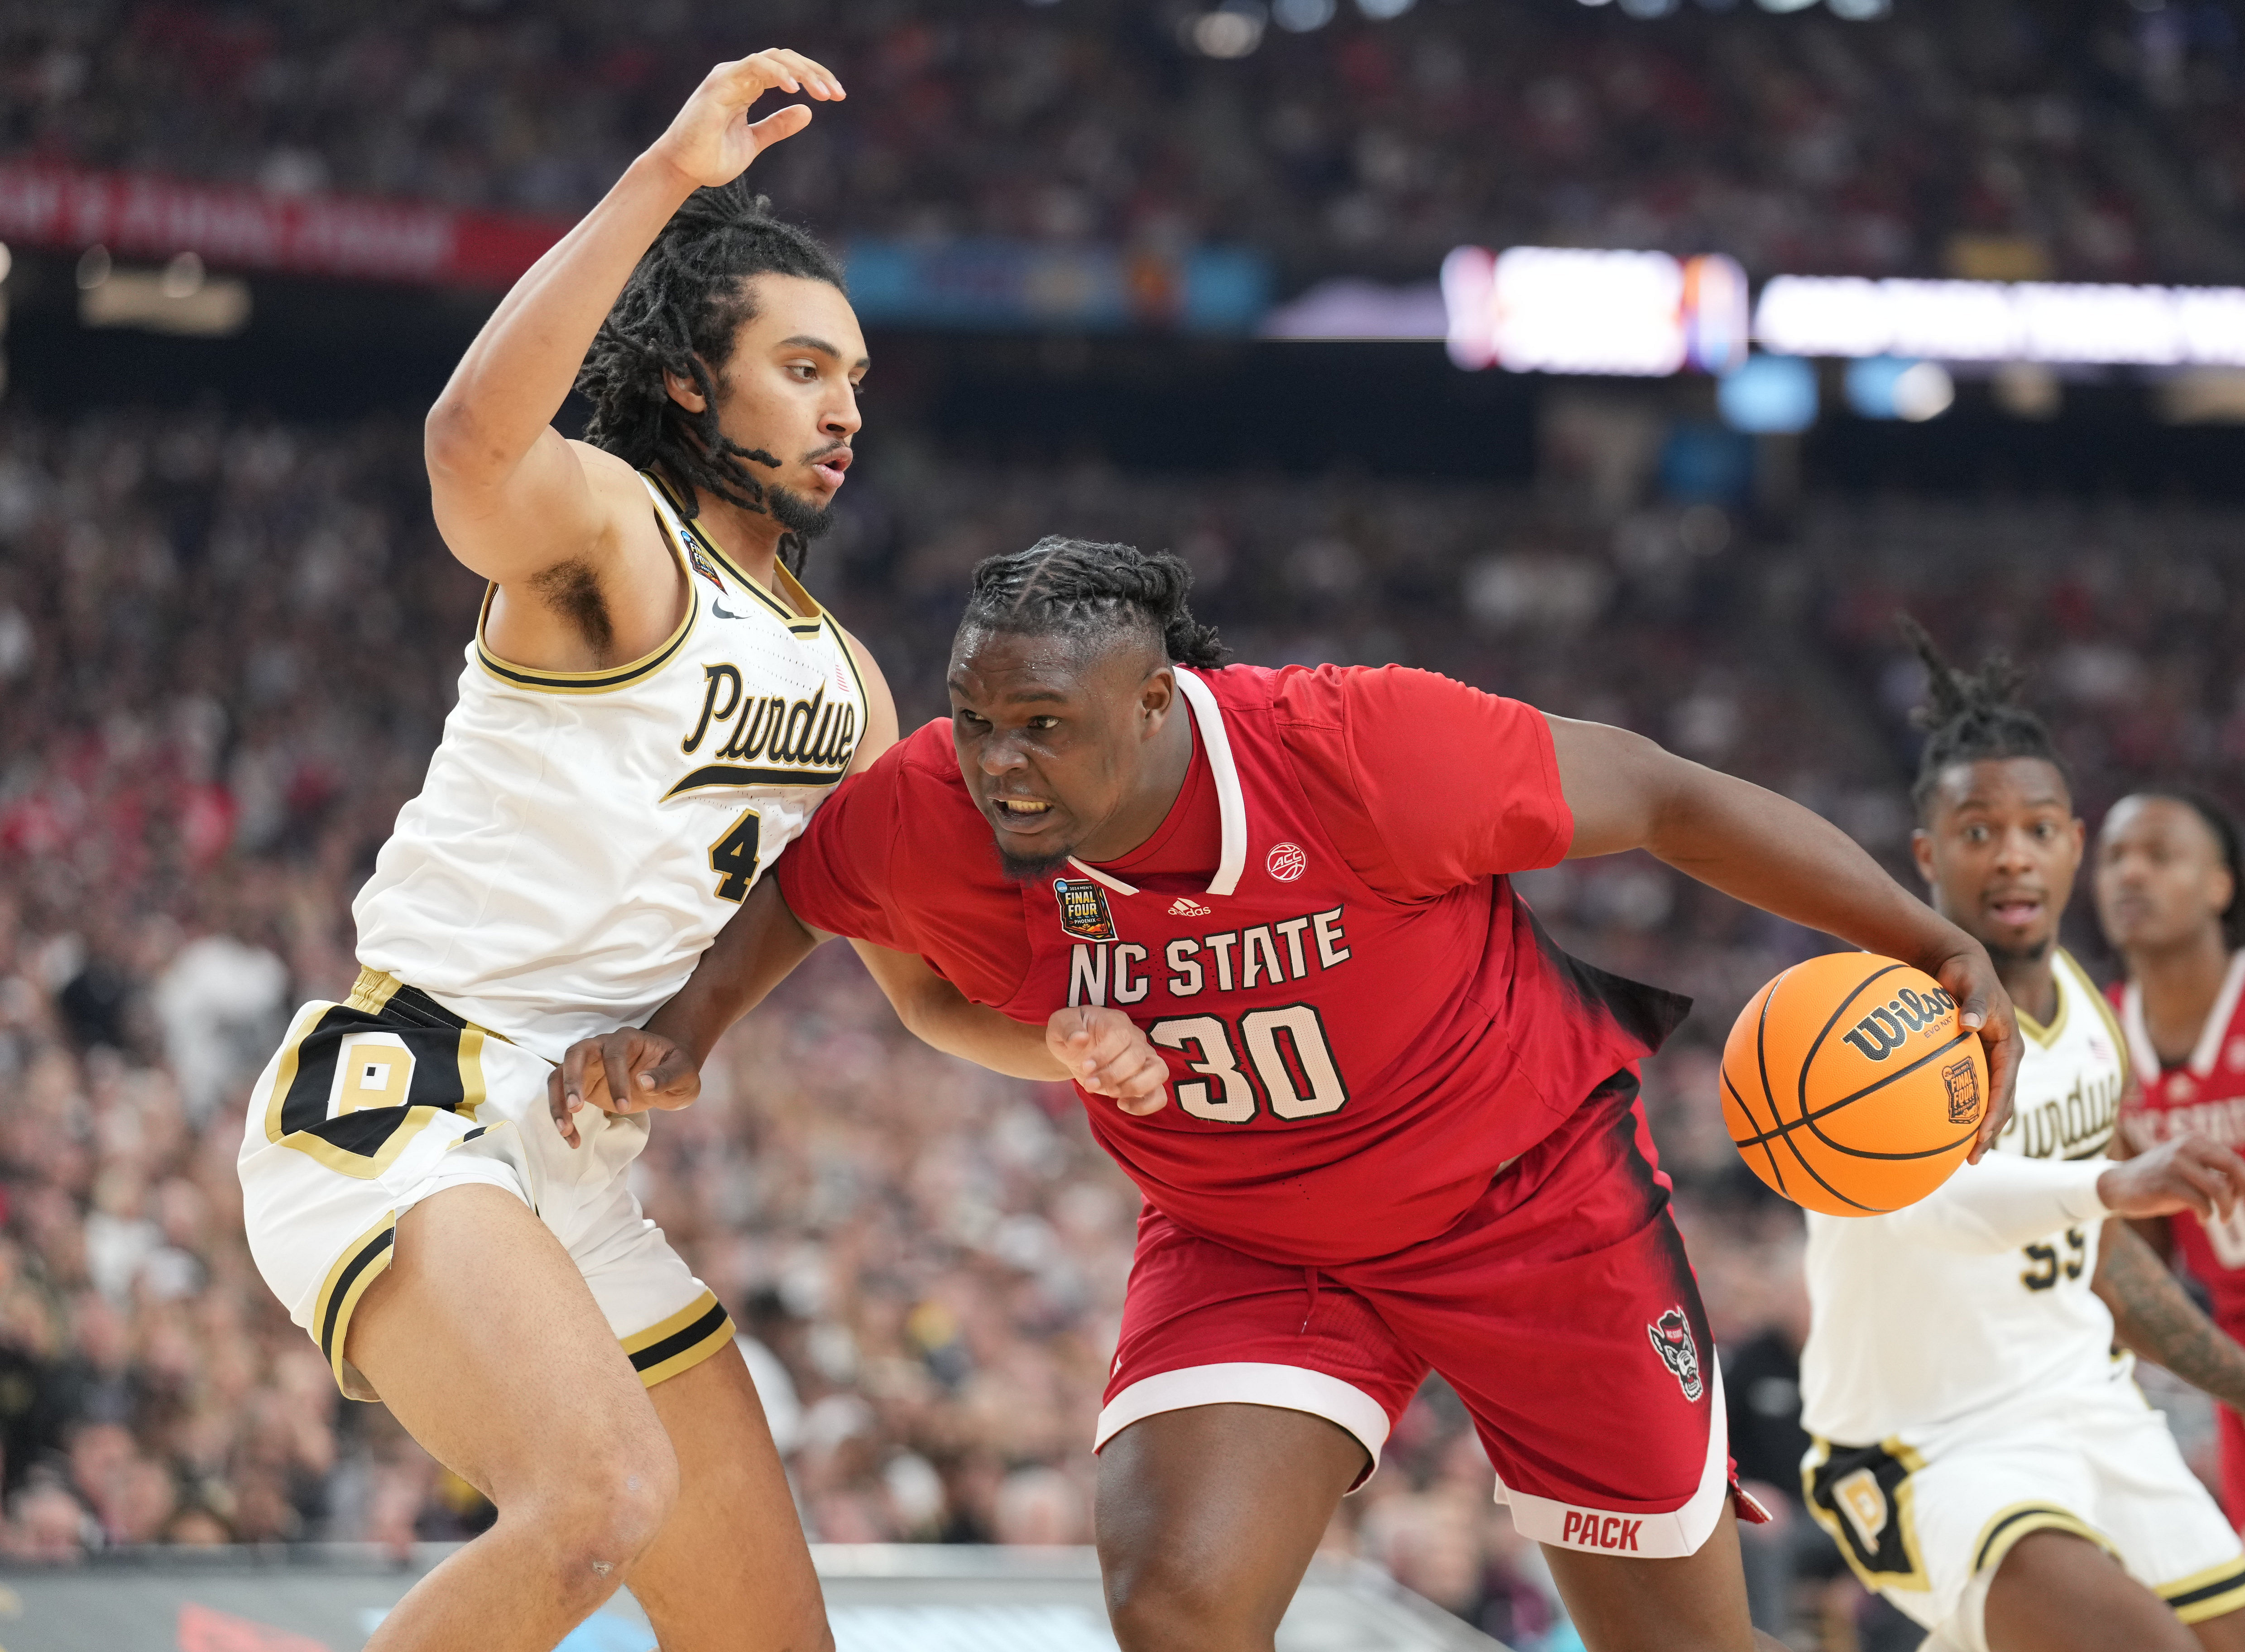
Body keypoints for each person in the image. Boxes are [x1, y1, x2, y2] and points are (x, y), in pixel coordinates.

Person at [554, 537, 2027, 1652]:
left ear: (1154, 700)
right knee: (1174, 1595)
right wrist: (681, 1027)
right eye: (975, 717)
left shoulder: (1359, 748)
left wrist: (1918, 932)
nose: (997, 761)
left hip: (1535, 1213)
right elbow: (807, 894)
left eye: (1042, 726)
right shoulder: (936, 801)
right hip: (1251, 1235)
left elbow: (1662, 795)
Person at [234, 53, 1160, 1652]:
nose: (844, 406)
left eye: (854, 375)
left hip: (578, 1171)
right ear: (686, 382)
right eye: (802, 367)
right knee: (594, 1497)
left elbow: (920, 993)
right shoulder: (607, 540)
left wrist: (1069, 1047)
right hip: (409, 1104)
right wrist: (665, 178)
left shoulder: (852, 679)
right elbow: (467, 437)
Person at [1797, 623, 2245, 1652]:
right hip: (1931, 1445)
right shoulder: (1874, 1025)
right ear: (1926, 854)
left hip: (2089, 1409)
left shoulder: (2090, 1014)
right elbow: (1937, 1209)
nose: (2012, 853)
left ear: (2072, 847)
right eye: (1978, 830)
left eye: (2039, 828)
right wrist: (2108, 1187)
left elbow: (2097, 1257)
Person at [2097, 789, 2245, 1527]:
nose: (2130, 875)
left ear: (2219, 884)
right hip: (2227, 1350)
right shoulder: (2098, 1038)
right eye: (2114, 858)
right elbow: (2135, 1252)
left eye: (2158, 856)